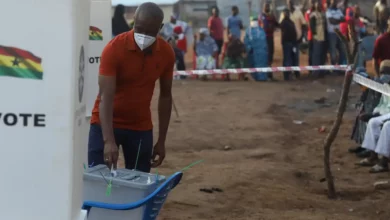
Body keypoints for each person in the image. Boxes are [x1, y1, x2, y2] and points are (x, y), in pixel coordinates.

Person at [88, 2, 175, 172]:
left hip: (139, 127)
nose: (143, 35)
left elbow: (166, 96)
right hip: (104, 124)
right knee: (98, 182)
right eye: (139, 29)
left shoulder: (166, 53)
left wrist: (161, 141)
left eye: (151, 32)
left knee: (138, 182)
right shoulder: (114, 49)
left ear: (160, 27)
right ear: (133, 21)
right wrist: (108, 141)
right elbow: (106, 96)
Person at [357, 60, 390, 173]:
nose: (384, 75)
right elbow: (382, 105)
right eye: (382, 72)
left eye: (387, 72)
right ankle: (373, 156)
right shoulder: (384, 86)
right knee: (373, 122)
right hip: (386, 113)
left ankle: (384, 162)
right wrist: (374, 114)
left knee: (387, 126)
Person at [279, 0, 306, 78]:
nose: (289, 4)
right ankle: (287, 74)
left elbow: (304, 25)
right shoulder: (283, 13)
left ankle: (296, 72)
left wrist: (302, 36)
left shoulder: (298, 12)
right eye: (288, 3)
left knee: (295, 56)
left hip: (297, 39)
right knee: (287, 57)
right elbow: (281, 25)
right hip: (287, 40)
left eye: (291, 2)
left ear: (293, 3)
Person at [244, 16, 268, 81]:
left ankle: (262, 77)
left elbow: (264, 41)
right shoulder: (248, 31)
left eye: (255, 20)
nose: (254, 22)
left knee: (262, 64)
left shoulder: (261, 30)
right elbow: (246, 41)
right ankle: (256, 77)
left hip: (261, 52)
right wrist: (249, 48)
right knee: (253, 64)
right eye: (253, 20)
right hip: (253, 52)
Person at [260, 1, 279, 80]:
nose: (267, 8)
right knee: (266, 55)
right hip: (264, 38)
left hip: (270, 38)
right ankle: (266, 74)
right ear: (263, 8)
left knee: (270, 55)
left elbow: (277, 24)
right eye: (265, 6)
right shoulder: (262, 16)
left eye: (268, 6)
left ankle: (269, 74)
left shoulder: (272, 16)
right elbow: (264, 27)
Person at [326, 0, 346, 67]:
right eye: (333, 1)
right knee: (333, 51)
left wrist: (337, 20)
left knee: (342, 50)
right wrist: (339, 20)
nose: (335, 2)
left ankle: (340, 66)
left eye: (336, 1)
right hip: (332, 33)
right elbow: (332, 21)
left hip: (339, 33)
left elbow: (343, 19)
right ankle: (333, 67)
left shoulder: (338, 10)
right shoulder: (328, 11)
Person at [310, 0, 327, 78]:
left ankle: (322, 72)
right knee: (316, 55)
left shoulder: (323, 14)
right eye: (318, 5)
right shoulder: (313, 15)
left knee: (323, 56)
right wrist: (315, 36)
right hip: (317, 38)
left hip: (324, 38)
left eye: (320, 5)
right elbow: (312, 27)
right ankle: (315, 72)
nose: (319, 6)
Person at [280, 8, 298, 81]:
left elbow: (294, 32)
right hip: (286, 43)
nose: (287, 14)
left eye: (287, 12)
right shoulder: (283, 22)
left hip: (292, 43)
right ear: (284, 14)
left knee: (292, 59)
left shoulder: (291, 22)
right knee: (287, 59)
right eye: (285, 13)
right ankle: (286, 76)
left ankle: (290, 74)